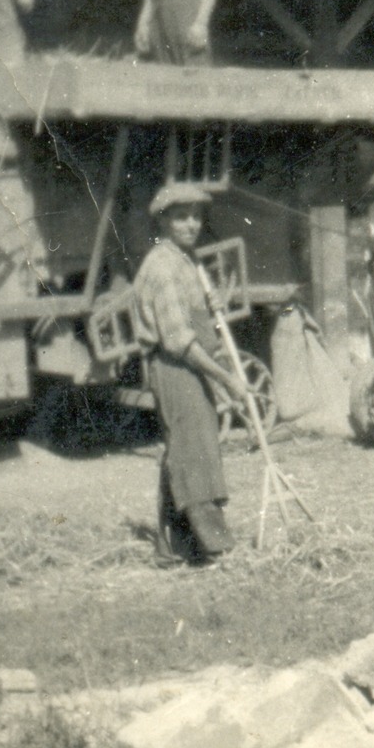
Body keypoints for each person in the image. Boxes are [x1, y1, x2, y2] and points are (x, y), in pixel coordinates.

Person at [133, 181, 238, 564]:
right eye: (181, 217)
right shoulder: (162, 268)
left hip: (187, 365)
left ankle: (173, 544)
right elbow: (179, 340)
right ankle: (215, 547)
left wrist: (214, 302)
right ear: (163, 221)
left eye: (195, 216)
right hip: (175, 367)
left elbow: (195, 316)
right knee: (194, 451)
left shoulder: (184, 260)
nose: (191, 224)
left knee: (184, 449)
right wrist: (227, 379)